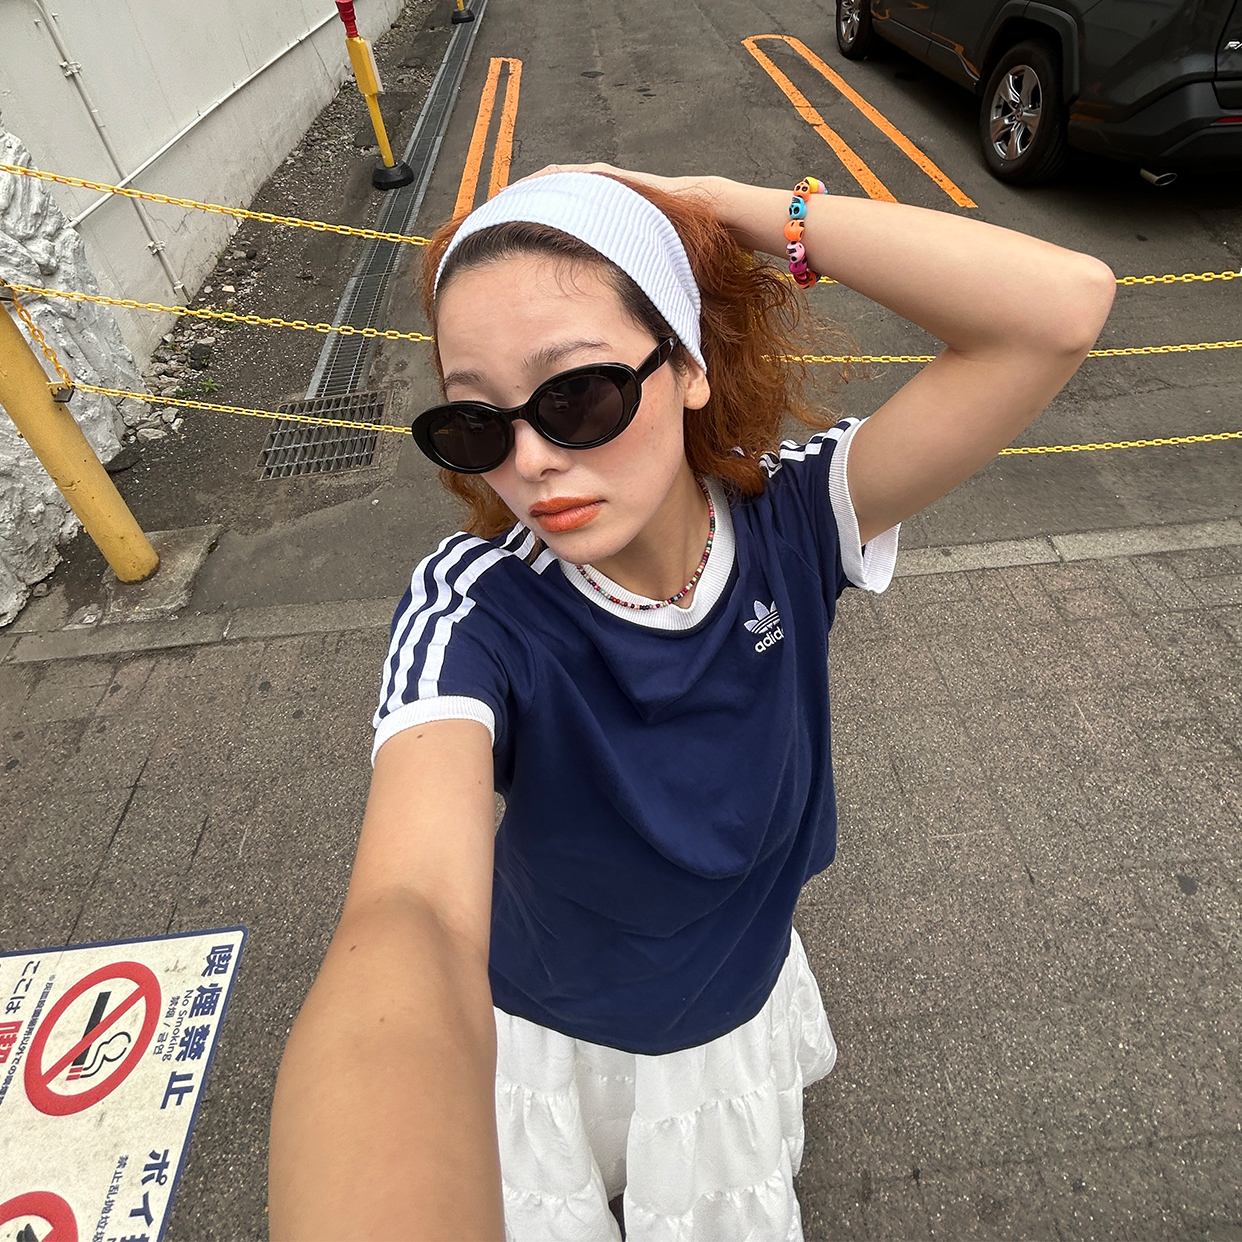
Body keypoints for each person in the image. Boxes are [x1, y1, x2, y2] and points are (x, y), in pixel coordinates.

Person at [268, 166, 1114, 1241]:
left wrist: (715, 204)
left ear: (688, 367)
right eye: (476, 423)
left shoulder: (790, 516)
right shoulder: (476, 609)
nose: (530, 462)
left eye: (577, 395)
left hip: (733, 983)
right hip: (558, 1005)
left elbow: (1061, 309)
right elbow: (412, 910)